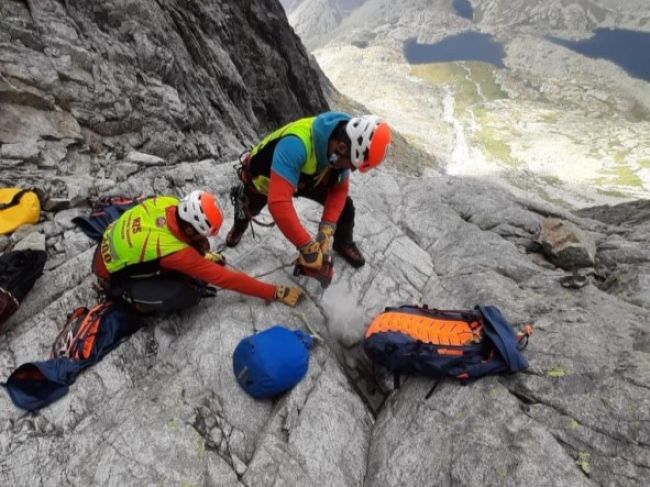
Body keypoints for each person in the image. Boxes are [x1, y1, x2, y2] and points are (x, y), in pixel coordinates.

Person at [226, 111, 392, 271]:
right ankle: (239, 226)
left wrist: (327, 229)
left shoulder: (344, 137)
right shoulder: (295, 145)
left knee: (345, 208)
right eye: (352, 166)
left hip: (306, 178)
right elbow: (278, 204)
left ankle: (342, 242)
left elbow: (340, 190)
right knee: (248, 207)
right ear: (341, 148)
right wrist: (307, 246)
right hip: (265, 178)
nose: (351, 170)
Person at [92, 190, 303, 312]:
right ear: (191, 228)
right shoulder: (174, 252)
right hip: (111, 273)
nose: (205, 239)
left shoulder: (170, 202)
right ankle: (132, 299)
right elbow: (226, 279)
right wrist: (274, 292)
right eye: (203, 233)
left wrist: (202, 254)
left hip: (109, 243)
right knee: (188, 294)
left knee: (194, 255)